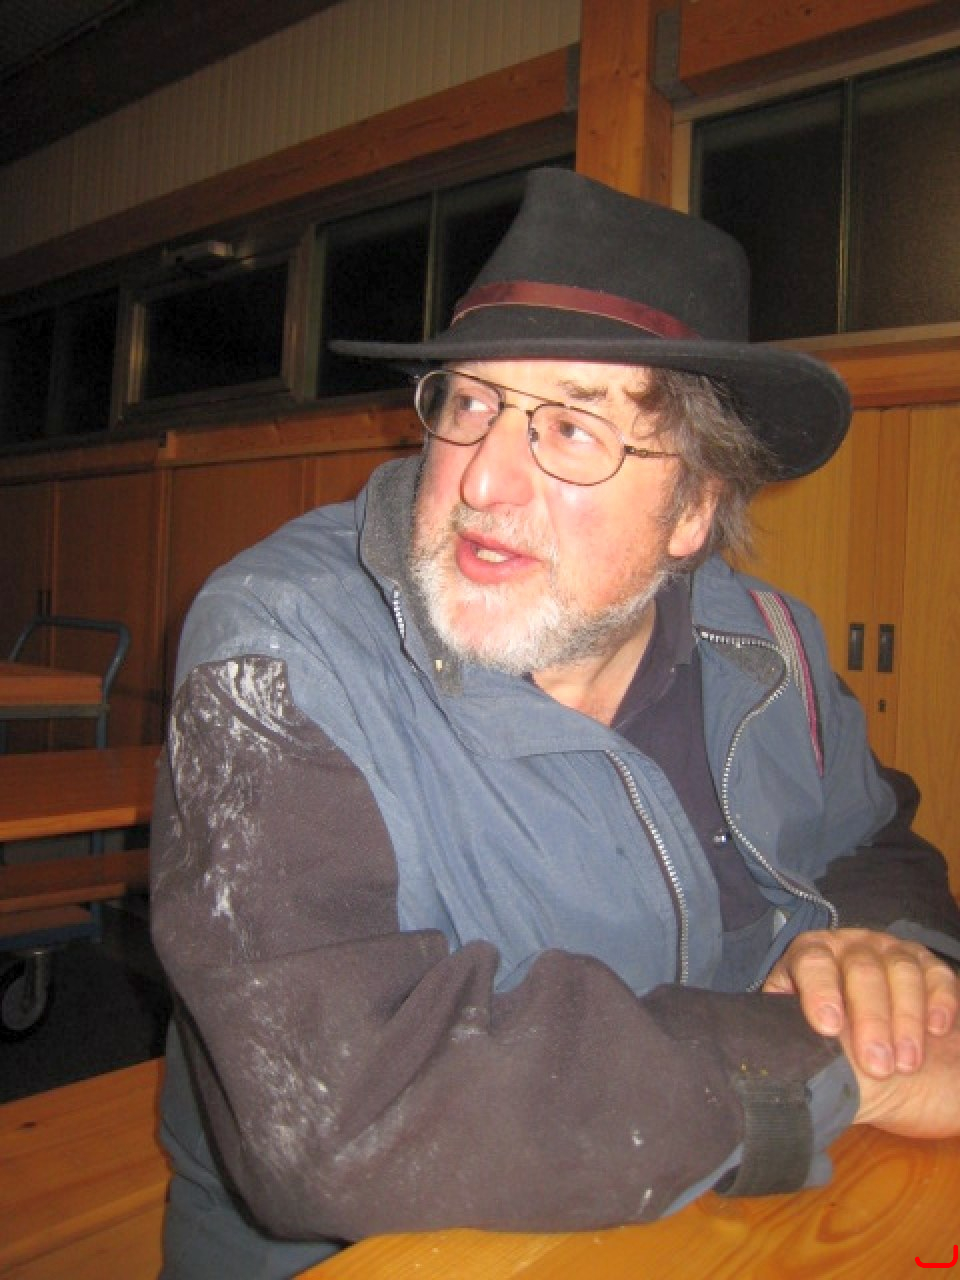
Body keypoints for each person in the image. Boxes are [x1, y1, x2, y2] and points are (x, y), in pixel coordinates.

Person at [150, 167, 960, 1279]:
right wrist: (835, 1068)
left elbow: (872, 835)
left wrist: (886, 952)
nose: (484, 481)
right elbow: (337, 1112)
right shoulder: (282, 647)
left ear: (695, 507)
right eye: (471, 404)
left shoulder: (768, 644)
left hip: (715, 1222)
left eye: (574, 428)